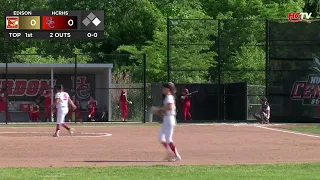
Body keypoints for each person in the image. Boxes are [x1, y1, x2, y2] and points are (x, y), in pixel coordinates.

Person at [157, 82, 181, 162]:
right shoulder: (168, 97)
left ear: (168, 89)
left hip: (169, 119)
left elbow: (171, 107)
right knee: (161, 137)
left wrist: (161, 109)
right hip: (166, 119)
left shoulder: (169, 97)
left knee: (168, 139)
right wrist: (161, 111)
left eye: (164, 88)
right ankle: (170, 153)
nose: (163, 89)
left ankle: (176, 155)